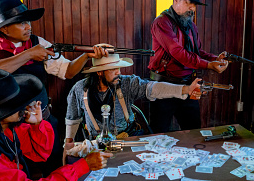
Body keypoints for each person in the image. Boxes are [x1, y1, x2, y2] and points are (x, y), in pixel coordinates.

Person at [0, 0, 106, 173]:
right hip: (8, 130)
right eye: (21, 23)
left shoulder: (37, 43)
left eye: (28, 22)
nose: (29, 27)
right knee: (20, 177)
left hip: (43, 122)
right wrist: (28, 54)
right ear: (4, 29)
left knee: (53, 171)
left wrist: (86, 55)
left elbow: (68, 71)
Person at [64, 51, 203, 150]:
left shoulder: (126, 83)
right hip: (97, 144)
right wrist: (69, 141)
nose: (119, 72)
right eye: (113, 69)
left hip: (129, 138)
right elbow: (72, 117)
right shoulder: (80, 89)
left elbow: (153, 88)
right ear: (99, 72)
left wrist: (185, 89)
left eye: (119, 67)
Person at [148, 0, 228, 132]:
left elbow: (197, 53)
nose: (192, 8)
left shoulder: (191, 26)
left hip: (187, 85)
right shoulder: (161, 23)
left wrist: (215, 59)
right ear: (176, 0)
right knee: (159, 135)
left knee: (194, 132)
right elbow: (178, 53)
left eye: (194, 5)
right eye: (188, 3)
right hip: (164, 86)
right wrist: (208, 65)